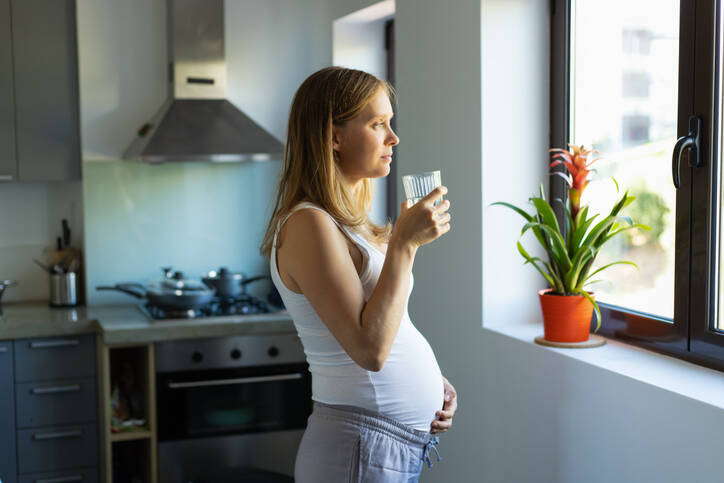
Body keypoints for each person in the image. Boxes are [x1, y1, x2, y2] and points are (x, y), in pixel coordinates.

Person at [261, 66, 458, 482]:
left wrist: (431, 384)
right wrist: (405, 244)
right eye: (377, 124)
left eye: (390, 123)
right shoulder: (308, 224)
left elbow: (389, 323)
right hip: (358, 447)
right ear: (334, 136)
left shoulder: (349, 223)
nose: (393, 138)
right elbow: (368, 350)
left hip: (382, 444)